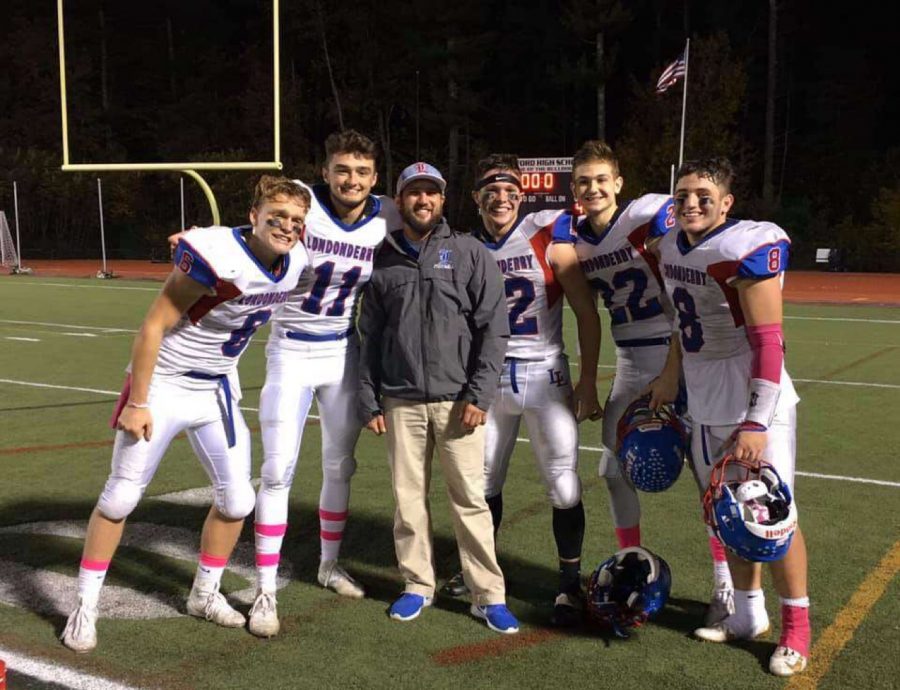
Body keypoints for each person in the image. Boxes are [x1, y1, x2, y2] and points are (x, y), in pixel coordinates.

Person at [61, 176, 311, 652]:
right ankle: (85, 606)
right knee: (119, 499)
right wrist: (138, 401)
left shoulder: (297, 257)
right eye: (275, 215)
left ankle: (203, 594)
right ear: (253, 214)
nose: (286, 226)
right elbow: (152, 326)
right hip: (165, 386)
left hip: (216, 388)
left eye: (296, 220)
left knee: (239, 500)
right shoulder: (217, 254)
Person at [551, 140, 735, 626]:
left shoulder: (649, 215)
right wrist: (588, 379)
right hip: (631, 360)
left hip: (682, 353)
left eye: (601, 179)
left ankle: (724, 583)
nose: (593, 188)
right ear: (576, 188)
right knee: (613, 470)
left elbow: (684, 274)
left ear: (618, 183)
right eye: (584, 181)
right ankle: (632, 563)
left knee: (705, 474)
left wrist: (672, 372)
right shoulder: (575, 236)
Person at [648, 157, 810, 677]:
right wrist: (670, 374)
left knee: (775, 518)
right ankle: (747, 615)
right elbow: (681, 319)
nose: (691, 201)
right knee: (726, 512)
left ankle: (796, 631)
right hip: (702, 393)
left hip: (750, 395)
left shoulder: (747, 244)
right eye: (682, 193)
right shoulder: (670, 244)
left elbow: (769, 342)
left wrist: (757, 421)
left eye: (702, 193)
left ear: (727, 202)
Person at [249, 130, 401, 637]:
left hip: (342, 351)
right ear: (325, 171)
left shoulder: (389, 213)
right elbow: (253, 229)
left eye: (361, 171)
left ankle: (329, 563)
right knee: (277, 469)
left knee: (341, 465)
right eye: (342, 169)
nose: (350, 180)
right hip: (290, 347)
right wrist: (204, 236)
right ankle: (265, 588)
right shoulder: (302, 201)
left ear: (374, 178)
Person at [357, 162, 519, 635]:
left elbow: (494, 330)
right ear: (400, 199)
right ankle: (416, 585)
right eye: (413, 193)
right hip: (401, 401)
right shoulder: (383, 259)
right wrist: (369, 399)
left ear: (442, 200)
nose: (422, 200)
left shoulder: (468, 252)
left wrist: (480, 394)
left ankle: (487, 594)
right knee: (408, 500)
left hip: (458, 401)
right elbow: (370, 335)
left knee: (470, 499)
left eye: (431, 193)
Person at [441, 154, 602, 626]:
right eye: (490, 188)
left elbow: (586, 312)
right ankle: (480, 573)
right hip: (488, 381)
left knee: (563, 483)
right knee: (482, 482)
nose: (501, 196)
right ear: (476, 198)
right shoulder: (464, 247)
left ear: (522, 194)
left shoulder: (546, 235)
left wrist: (588, 380)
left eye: (510, 187)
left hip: (544, 375)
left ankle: (569, 584)